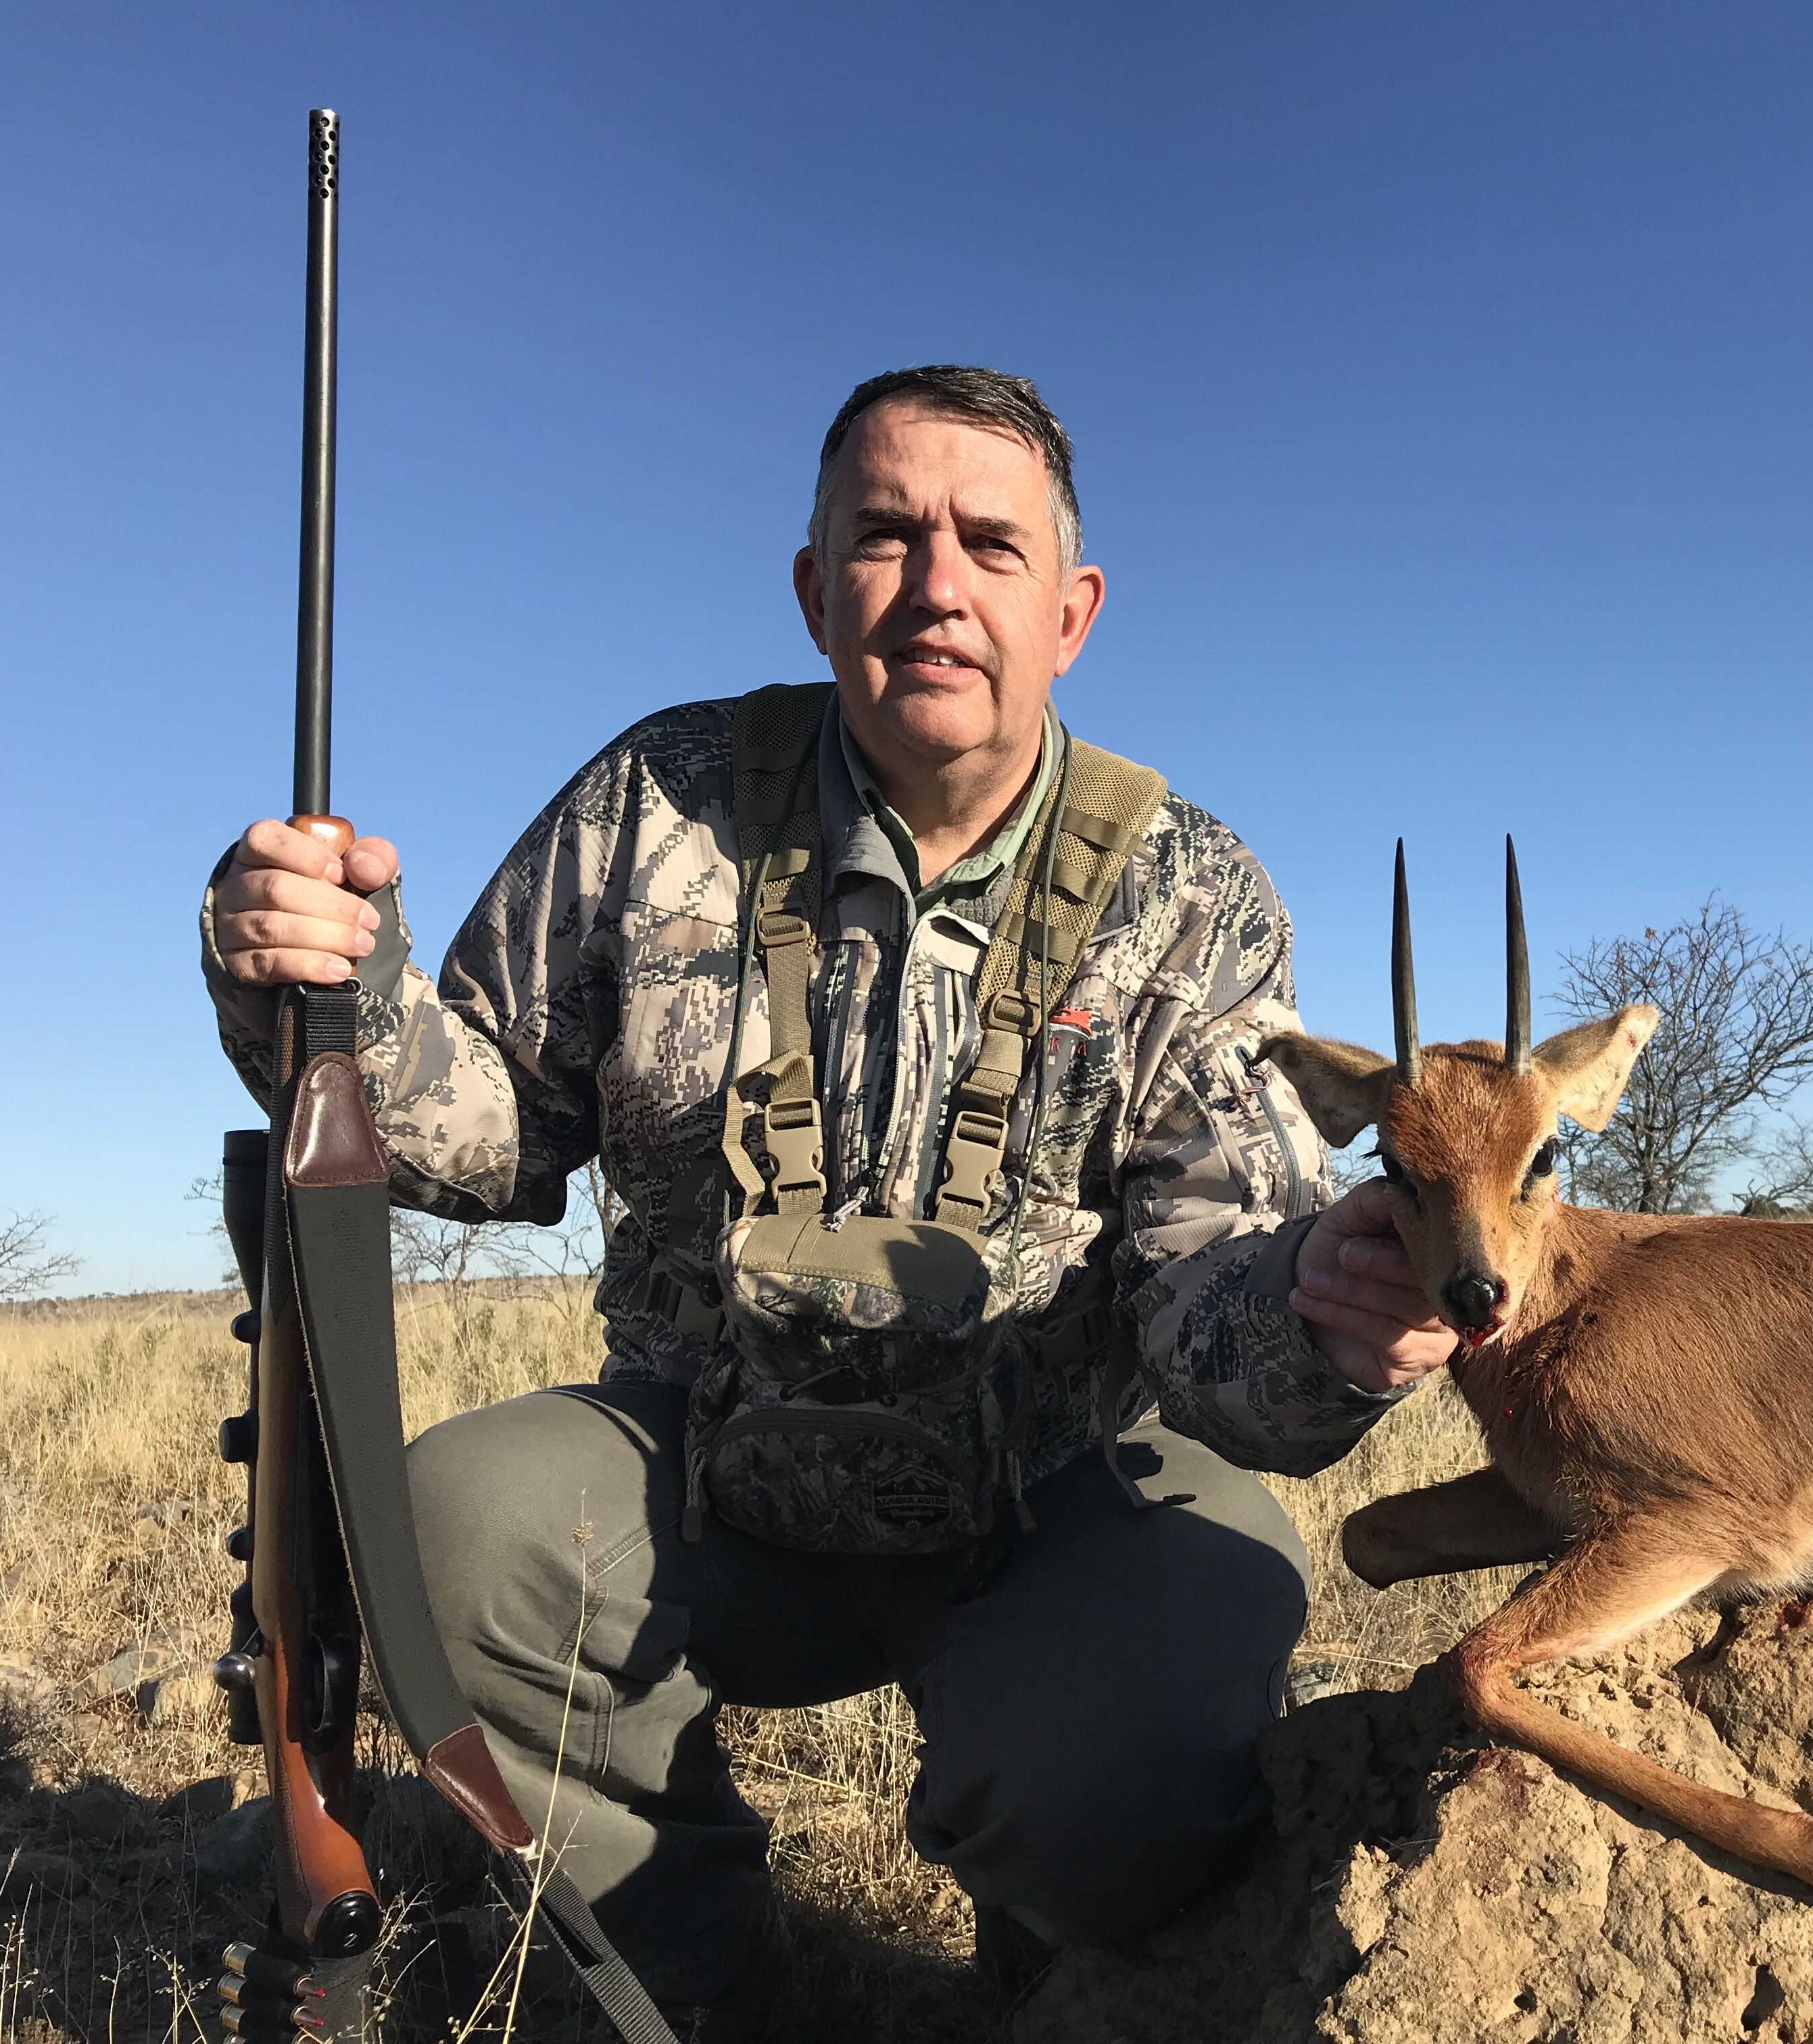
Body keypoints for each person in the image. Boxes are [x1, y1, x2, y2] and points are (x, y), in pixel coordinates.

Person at [202, 366, 1457, 2028]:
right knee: (450, 1533)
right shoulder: (657, 799)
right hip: (705, 1473)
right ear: (815, 589)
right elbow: (492, 1128)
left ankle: (1061, 1966)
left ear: (1069, 611)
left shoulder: (1193, 888)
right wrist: (322, 994)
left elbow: (1208, 1289)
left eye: (991, 546)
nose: (938, 585)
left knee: (1176, 1665)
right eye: (885, 534)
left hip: (1052, 1486)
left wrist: (1328, 1309)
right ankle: (690, 1978)